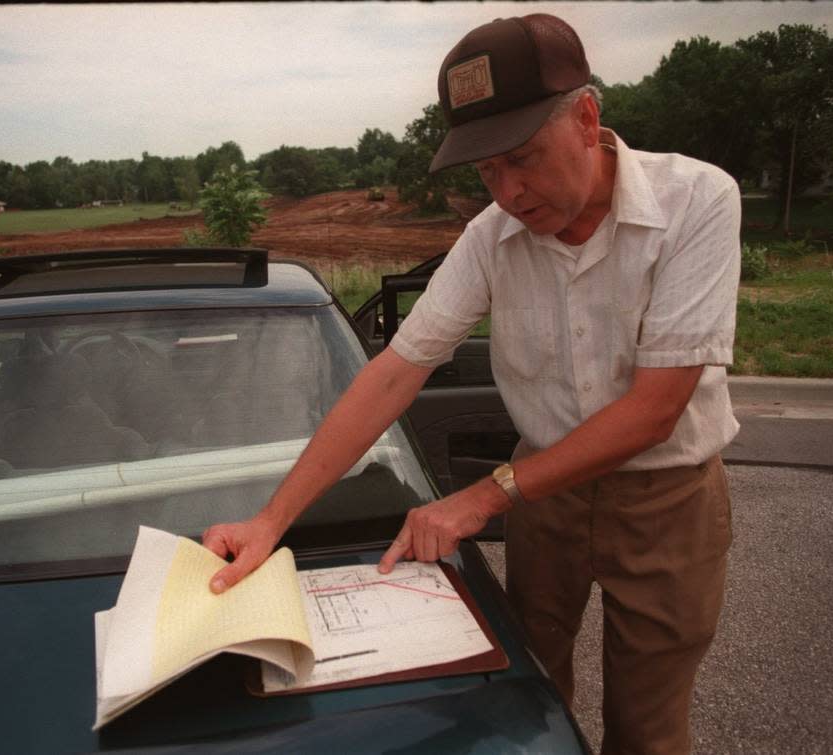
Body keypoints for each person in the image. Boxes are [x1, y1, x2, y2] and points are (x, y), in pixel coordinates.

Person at [203, 13, 740, 755]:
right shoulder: (491, 236)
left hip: (666, 499)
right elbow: (393, 374)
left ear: (586, 117)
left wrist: (486, 495)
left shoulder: (698, 202)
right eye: (487, 170)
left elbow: (654, 411)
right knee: (522, 701)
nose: (509, 191)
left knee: (648, 729)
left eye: (523, 158)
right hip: (543, 499)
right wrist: (271, 521)